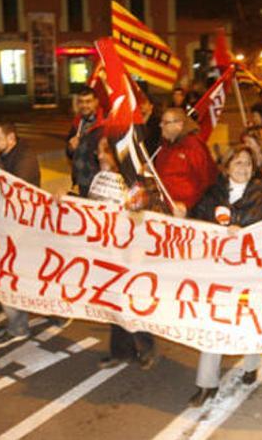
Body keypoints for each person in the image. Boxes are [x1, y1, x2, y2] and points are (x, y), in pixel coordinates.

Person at [186, 145, 262, 407]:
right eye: (237, 163)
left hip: (249, 273)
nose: (243, 168)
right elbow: (196, 222)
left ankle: (251, 364)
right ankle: (206, 383)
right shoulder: (212, 195)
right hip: (219, 271)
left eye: (247, 163)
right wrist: (184, 215)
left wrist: (245, 232)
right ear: (226, 168)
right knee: (214, 322)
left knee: (249, 319)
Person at [0, 120, 69, 348]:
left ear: (11, 139)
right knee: (20, 276)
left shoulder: (25, 158)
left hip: (24, 230)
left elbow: (11, 188)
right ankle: (48, 314)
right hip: (7, 227)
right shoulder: (4, 155)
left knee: (11, 276)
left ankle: (21, 326)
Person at [85, 137, 160, 370]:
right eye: (98, 152)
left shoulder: (136, 181)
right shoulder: (99, 178)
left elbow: (151, 211)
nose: (99, 157)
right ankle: (120, 352)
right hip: (107, 250)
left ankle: (146, 347)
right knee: (113, 301)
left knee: (133, 301)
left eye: (103, 152)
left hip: (132, 253)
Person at [153, 107, 218, 217]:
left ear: (179, 124)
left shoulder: (193, 146)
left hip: (186, 211)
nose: (160, 125)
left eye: (165, 122)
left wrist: (188, 205)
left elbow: (206, 179)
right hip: (164, 207)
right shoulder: (164, 147)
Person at [66, 87, 102, 196]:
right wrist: (71, 148)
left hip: (97, 184)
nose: (84, 105)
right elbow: (69, 152)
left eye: (88, 101)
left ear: (96, 102)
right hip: (79, 182)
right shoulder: (77, 123)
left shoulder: (103, 124)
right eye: (81, 102)